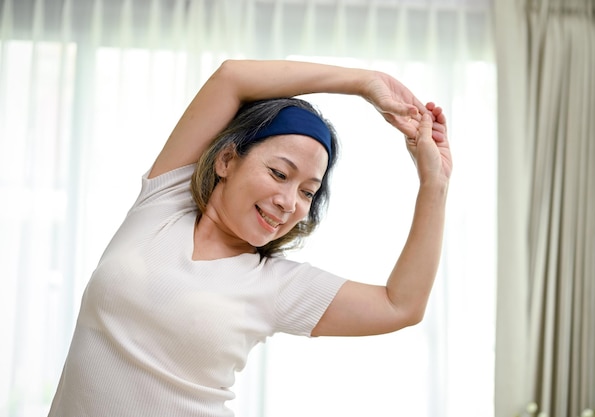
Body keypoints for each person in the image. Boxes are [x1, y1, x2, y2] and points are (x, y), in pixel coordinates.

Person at [48, 59, 452, 417]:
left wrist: (434, 183)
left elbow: (401, 305)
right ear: (227, 160)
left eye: (308, 192)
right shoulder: (162, 205)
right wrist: (365, 83)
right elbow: (231, 78)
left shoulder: (274, 285)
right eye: (279, 173)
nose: (288, 201)